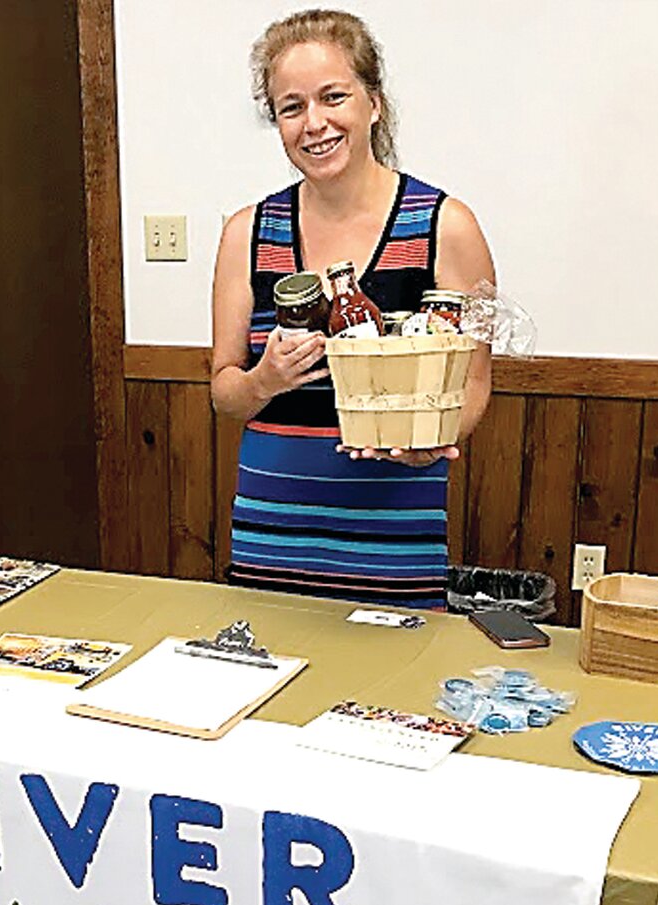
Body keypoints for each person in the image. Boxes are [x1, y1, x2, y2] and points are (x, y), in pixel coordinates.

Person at [211, 8, 495, 610]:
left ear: (374, 103)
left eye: (332, 97)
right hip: (270, 541)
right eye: (292, 107)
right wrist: (265, 379)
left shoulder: (446, 226)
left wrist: (431, 438)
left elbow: (473, 384)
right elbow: (224, 392)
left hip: (394, 544)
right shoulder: (247, 233)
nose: (314, 123)